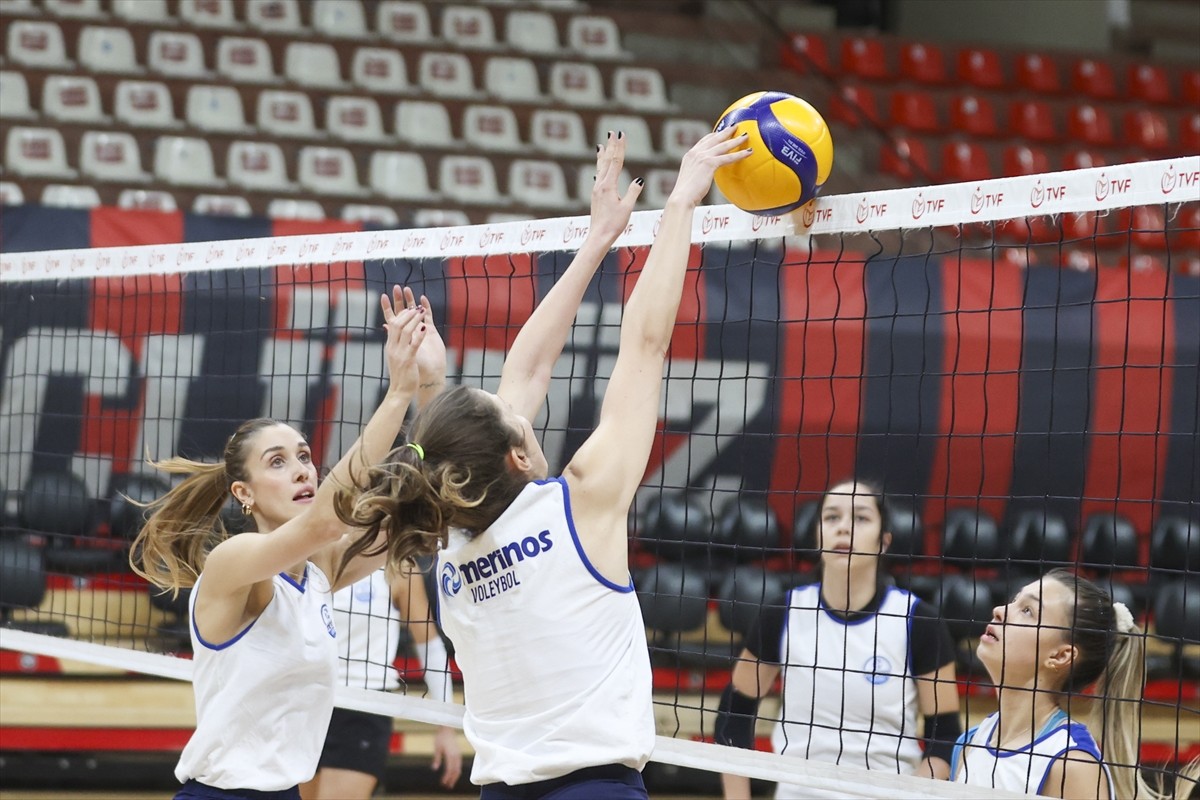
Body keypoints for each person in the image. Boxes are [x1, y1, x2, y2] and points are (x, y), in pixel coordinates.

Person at [334, 128, 751, 799]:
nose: (520, 400)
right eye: (515, 416)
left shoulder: (446, 538)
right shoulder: (580, 503)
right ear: (520, 454)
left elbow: (524, 373)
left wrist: (598, 241)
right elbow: (644, 343)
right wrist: (682, 204)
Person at [130, 285, 443, 800]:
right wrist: (399, 392)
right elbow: (324, 522)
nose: (301, 470)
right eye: (277, 462)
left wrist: (431, 383)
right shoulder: (234, 562)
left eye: (303, 456)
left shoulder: (321, 570)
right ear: (243, 494)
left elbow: (425, 506)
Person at [717, 478, 962, 799]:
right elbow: (733, 716)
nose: (843, 528)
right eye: (832, 517)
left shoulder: (919, 621)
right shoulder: (783, 612)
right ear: (818, 534)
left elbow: (944, 736)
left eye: (861, 518)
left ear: (883, 541)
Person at [952, 568, 1200, 799]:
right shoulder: (969, 743)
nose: (1000, 610)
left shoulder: (1073, 764)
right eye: (1015, 601)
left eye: (1028, 611)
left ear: (1060, 656)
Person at [301, 563, 462, 799]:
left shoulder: (398, 563)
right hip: (306, 703)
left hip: (362, 710)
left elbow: (429, 645)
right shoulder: (314, 552)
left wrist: (446, 725)